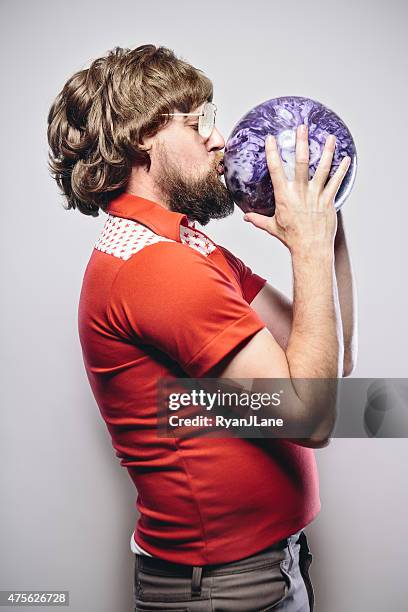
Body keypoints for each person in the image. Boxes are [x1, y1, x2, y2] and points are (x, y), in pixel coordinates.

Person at [47, 44, 357, 611]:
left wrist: (325, 228)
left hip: (258, 570)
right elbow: (311, 415)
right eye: (198, 123)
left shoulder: (183, 246)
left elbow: (330, 362)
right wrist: (307, 249)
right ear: (140, 136)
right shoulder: (157, 269)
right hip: (225, 588)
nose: (219, 139)